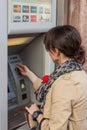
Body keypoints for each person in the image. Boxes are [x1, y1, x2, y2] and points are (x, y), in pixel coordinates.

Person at [17, 25, 87, 130]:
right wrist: (29, 74)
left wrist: (36, 114)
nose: (48, 53)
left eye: (49, 49)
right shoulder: (76, 71)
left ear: (56, 51)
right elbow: (50, 88)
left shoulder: (64, 83)